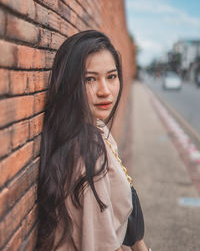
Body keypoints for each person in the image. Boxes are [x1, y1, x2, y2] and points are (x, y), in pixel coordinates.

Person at [36, 30, 151, 251]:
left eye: (111, 76)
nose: (105, 91)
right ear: (70, 83)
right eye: (90, 79)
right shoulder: (88, 151)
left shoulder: (96, 130)